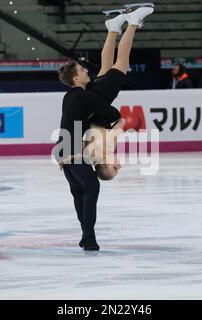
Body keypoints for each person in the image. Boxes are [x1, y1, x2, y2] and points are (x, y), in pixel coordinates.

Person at [55, 3, 154, 251]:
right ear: (77, 78)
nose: (84, 69)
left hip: (68, 150)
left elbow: (114, 114)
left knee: (117, 66)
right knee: (113, 67)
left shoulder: (78, 96)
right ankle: (123, 25)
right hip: (69, 150)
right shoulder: (82, 96)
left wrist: (116, 124)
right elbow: (106, 113)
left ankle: (128, 24)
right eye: (81, 69)